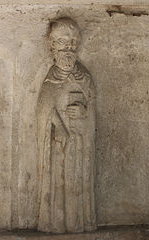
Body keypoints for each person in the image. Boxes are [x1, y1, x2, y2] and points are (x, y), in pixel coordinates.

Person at [37, 17, 96, 233]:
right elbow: (44, 111)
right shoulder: (50, 79)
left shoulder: (85, 78)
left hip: (80, 145)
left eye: (72, 43)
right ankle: (56, 223)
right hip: (58, 147)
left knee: (78, 181)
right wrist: (57, 125)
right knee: (58, 183)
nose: (68, 49)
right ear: (52, 46)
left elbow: (91, 110)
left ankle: (78, 222)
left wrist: (83, 111)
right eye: (63, 43)